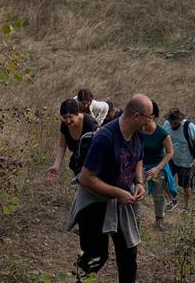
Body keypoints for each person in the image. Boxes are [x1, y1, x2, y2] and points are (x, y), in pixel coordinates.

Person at [68, 94, 150, 283]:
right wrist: (118, 193)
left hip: (120, 200)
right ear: (137, 116)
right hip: (94, 201)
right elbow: (87, 179)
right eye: (149, 116)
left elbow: (138, 158)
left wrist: (139, 182)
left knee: (128, 254)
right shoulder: (105, 137)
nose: (151, 121)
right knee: (95, 256)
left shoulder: (138, 133)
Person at [47, 98, 99, 184]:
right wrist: (56, 165)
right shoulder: (64, 125)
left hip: (93, 166)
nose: (68, 121)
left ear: (77, 113)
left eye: (71, 117)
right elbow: (62, 146)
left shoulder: (89, 122)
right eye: (64, 117)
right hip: (78, 166)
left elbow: (102, 143)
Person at [142, 101, 174, 230]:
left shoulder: (162, 133)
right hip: (141, 166)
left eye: (147, 119)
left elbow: (170, 152)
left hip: (157, 165)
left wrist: (158, 168)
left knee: (158, 194)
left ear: (152, 117)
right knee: (134, 189)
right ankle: (134, 216)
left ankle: (159, 218)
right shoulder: (139, 131)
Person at [164, 108, 195, 212]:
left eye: (175, 123)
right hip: (171, 159)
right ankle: (172, 200)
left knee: (185, 186)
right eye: (171, 122)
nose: (173, 125)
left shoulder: (189, 127)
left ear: (180, 120)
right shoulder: (167, 124)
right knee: (165, 180)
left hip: (186, 162)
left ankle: (186, 207)